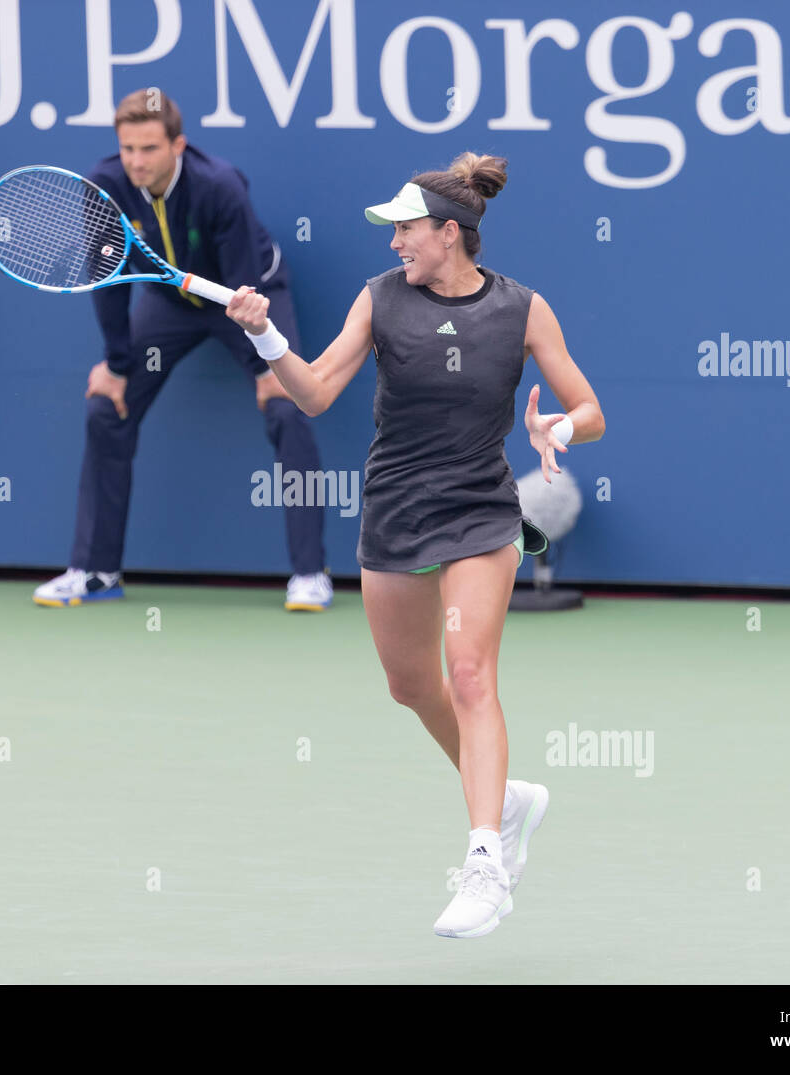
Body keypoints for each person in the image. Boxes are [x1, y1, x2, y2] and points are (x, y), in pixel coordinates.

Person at [225, 153, 606, 938]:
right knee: (411, 685)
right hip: (396, 509)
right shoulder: (379, 300)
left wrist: (556, 426)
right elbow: (318, 389)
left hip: (480, 512)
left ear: (449, 233)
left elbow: (590, 407)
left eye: (405, 228)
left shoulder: (523, 310)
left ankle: (484, 862)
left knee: (470, 673)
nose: (395, 242)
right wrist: (265, 337)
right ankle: (509, 802)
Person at [34, 90, 332, 612]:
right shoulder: (105, 187)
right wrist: (119, 365)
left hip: (247, 294)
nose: (136, 161)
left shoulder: (220, 185)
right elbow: (108, 280)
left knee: (287, 405)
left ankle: (311, 573)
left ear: (179, 145)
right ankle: (96, 569)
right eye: (127, 148)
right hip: (170, 302)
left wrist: (264, 363)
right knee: (107, 407)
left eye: (149, 148)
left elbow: (240, 285)